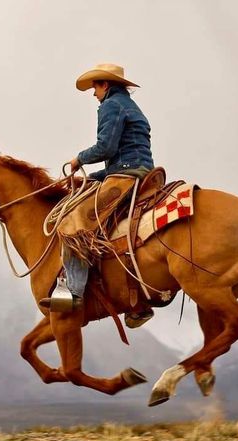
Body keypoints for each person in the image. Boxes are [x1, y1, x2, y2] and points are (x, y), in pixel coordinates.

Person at [63, 63, 155, 327]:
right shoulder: (131, 106)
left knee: (72, 223)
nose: (94, 94)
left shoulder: (111, 105)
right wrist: (94, 177)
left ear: (105, 84)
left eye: (95, 87)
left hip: (125, 174)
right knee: (86, 189)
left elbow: (106, 147)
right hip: (137, 169)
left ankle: (73, 293)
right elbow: (124, 152)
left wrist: (78, 159)